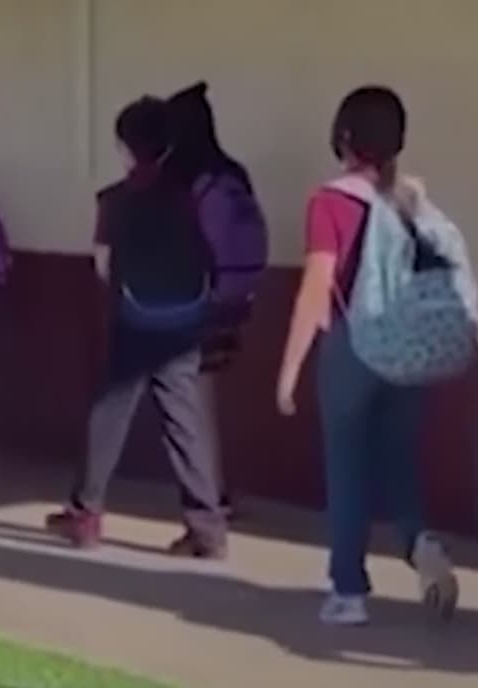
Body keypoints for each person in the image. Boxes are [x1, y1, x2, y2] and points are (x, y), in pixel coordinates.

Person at [276, 86, 458, 626]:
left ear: (345, 138)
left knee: (347, 466)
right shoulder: (412, 202)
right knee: (399, 457)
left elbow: (316, 288)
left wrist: (289, 370)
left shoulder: (329, 202)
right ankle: (419, 540)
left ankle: (348, 591)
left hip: (352, 349)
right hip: (409, 349)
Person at [47, 96, 227, 558]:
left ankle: (86, 515)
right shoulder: (192, 195)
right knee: (185, 420)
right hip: (186, 320)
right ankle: (207, 528)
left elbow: (103, 265)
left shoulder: (115, 200)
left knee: (109, 413)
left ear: (125, 147)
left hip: (133, 320)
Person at [166, 82, 261, 516]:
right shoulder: (233, 172)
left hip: (191, 299)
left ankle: (210, 497)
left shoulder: (181, 176)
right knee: (202, 396)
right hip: (233, 298)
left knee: (190, 404)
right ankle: (214, 492)